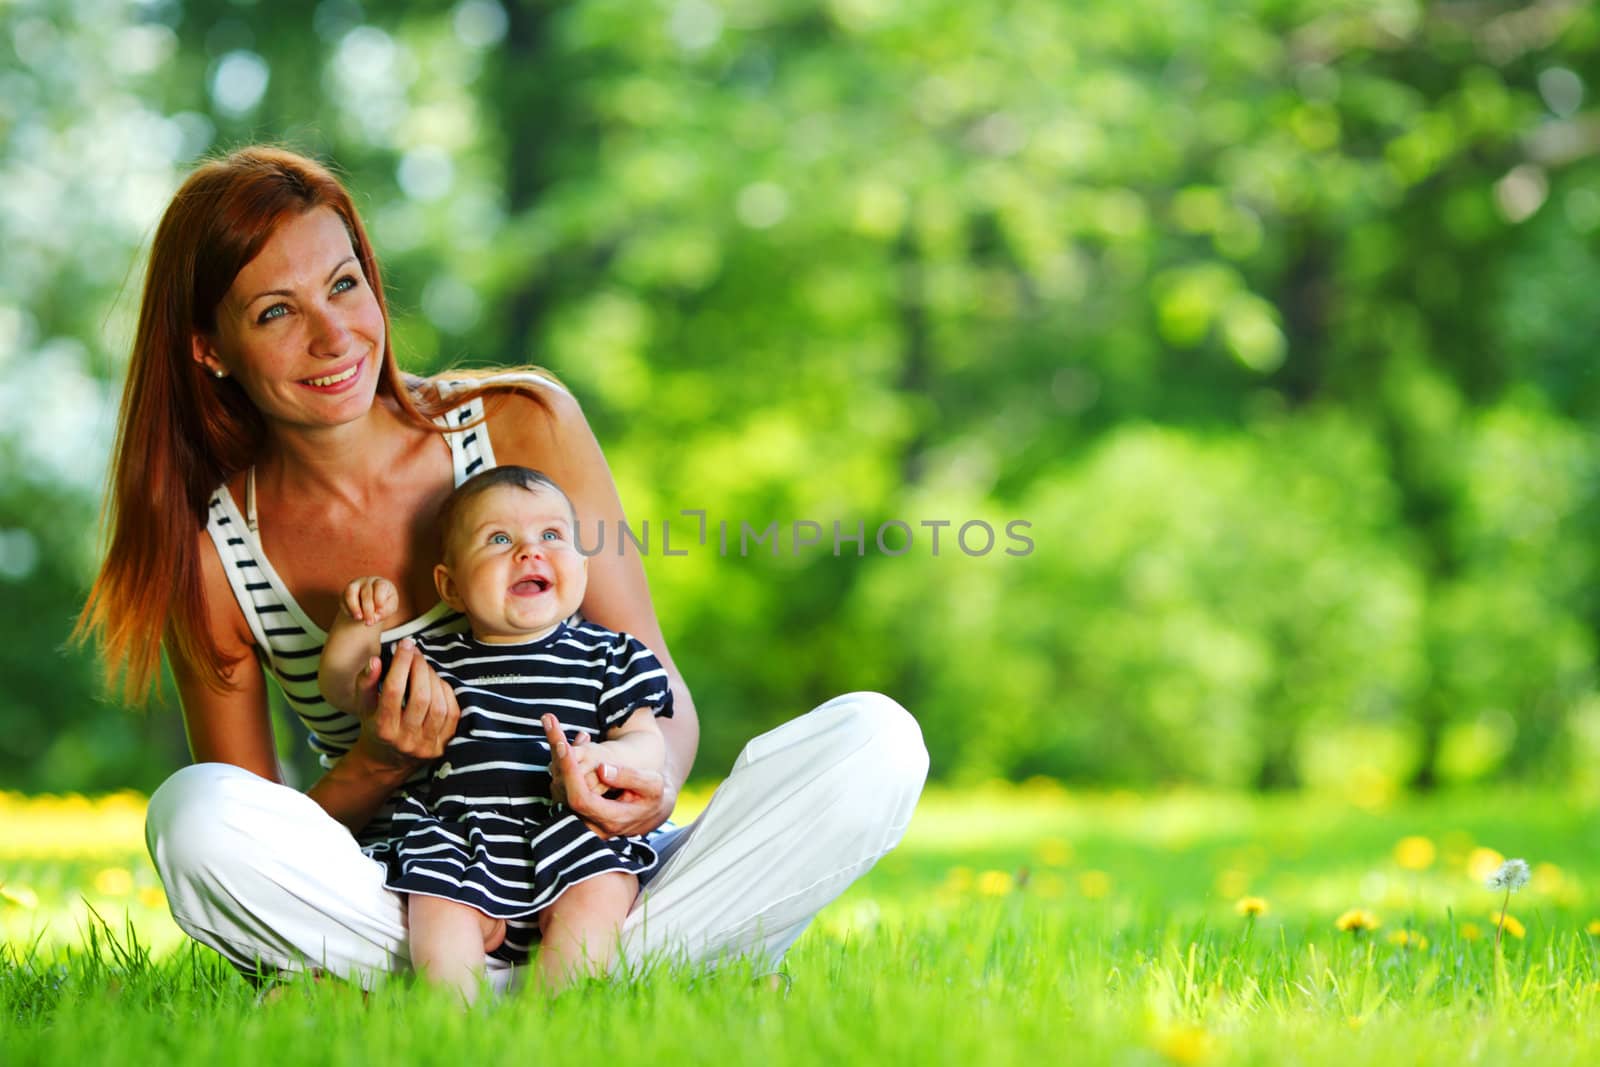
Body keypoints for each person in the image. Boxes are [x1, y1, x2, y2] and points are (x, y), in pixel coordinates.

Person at [76, 144, 929, 991]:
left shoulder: (523, 424)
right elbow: (261, 828)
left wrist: (648, 779)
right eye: (275, 312)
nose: (333, 335)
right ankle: (639, 976)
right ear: (209, 349)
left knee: (876, 741)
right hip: (416, 893)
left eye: (344, 285)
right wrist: (378, 760)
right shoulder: (216, 552)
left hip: (603, 872)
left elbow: (650, 673)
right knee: (192, 816)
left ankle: (494, 987)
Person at [320, 466, 674, 999]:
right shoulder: (429, 660)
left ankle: (557, 1015)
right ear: (452, 587)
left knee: (602, 888)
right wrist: (357, 626)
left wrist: (606, 758)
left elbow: (645, 739)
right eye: (500, 539)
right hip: (461, 842)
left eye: (552, 536)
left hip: (576, 836)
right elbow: (346, 688)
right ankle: (451, 1018)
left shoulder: (610, 657)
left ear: (581, 565)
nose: (530, 552)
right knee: (436, 902)